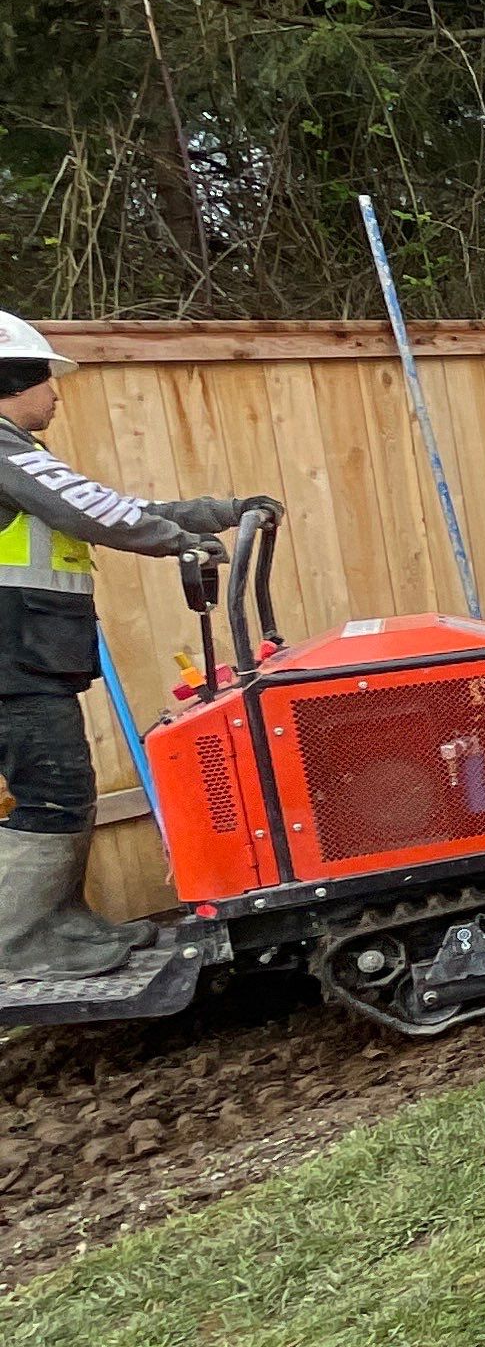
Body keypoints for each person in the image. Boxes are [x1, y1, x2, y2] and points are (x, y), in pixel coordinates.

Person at [0, 315, 248, 977]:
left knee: (59, 786)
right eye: (47, 379)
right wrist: (181, 542)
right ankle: (20, 946)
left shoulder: (16, 456)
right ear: (12, 380)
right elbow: (91, 512)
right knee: (52, 791)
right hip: (11, 659)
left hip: (26, 656)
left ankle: (58, 926)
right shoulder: (1, 451)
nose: (54, 394)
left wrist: (211, 513)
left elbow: (103, 503)